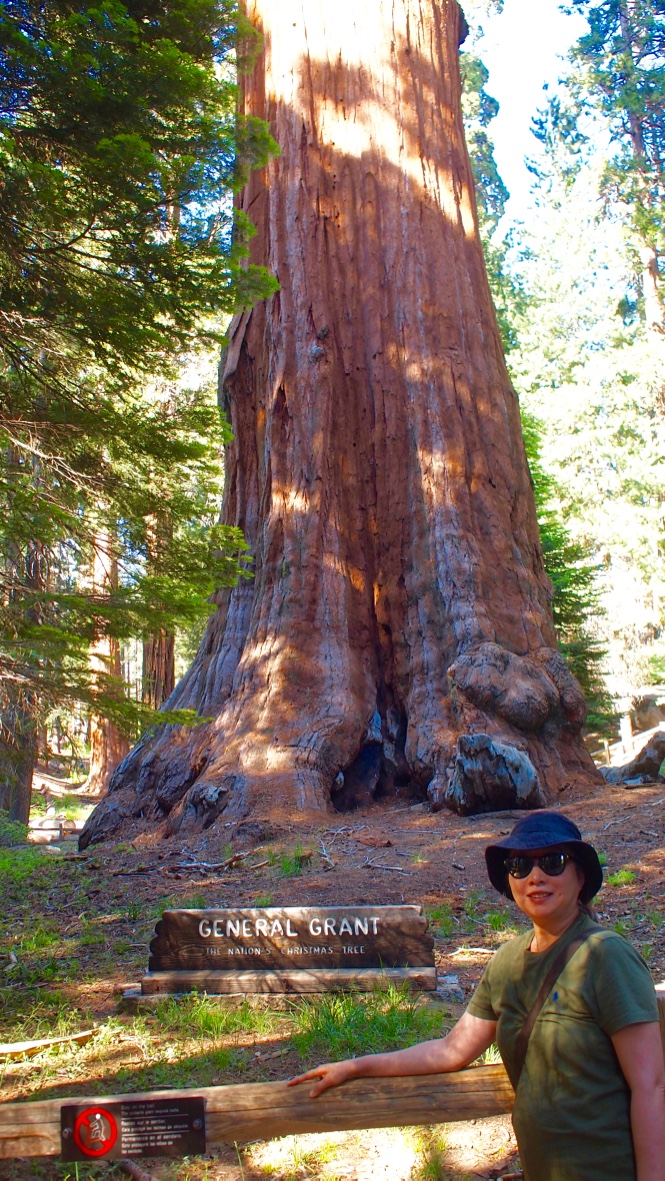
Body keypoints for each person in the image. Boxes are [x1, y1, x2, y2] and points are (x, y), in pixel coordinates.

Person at [289, 811, 665, 1181]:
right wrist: (356, 1067)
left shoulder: (606, 957)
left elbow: (650, 1086)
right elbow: (451, 1050)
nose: (535, 877)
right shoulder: (506, 962)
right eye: (520, 865)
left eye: (553, 862)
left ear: (580, 876)